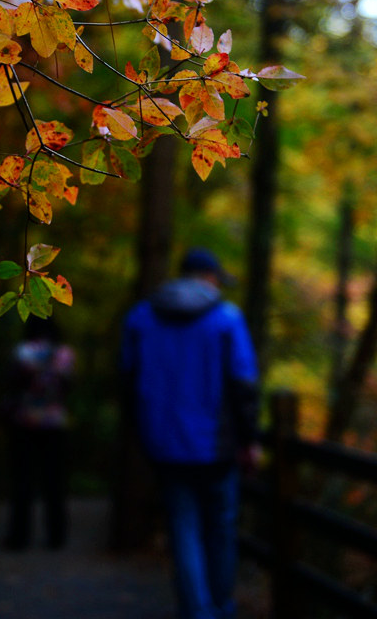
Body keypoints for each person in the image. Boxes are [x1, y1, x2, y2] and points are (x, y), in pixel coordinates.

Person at [121, 248, 261, 619]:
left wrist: (143, 433)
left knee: (183, 528)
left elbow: (127, 380)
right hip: (218, 446)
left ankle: (197, 611)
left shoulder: (141, 316)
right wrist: (250, 440)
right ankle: (221, 607)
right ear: (210, 278)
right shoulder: (227, 318)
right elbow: (244, 384)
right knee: (221, 528)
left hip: (164, 445)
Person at [0, 316, 74, 551]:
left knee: (23, 481)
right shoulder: (64, 353)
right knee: (54, 482)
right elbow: (68, 387)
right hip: (54, 423)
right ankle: (56, 535)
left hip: (24, 422)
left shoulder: (22, 351)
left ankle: (19, 536)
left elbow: (11, 384)